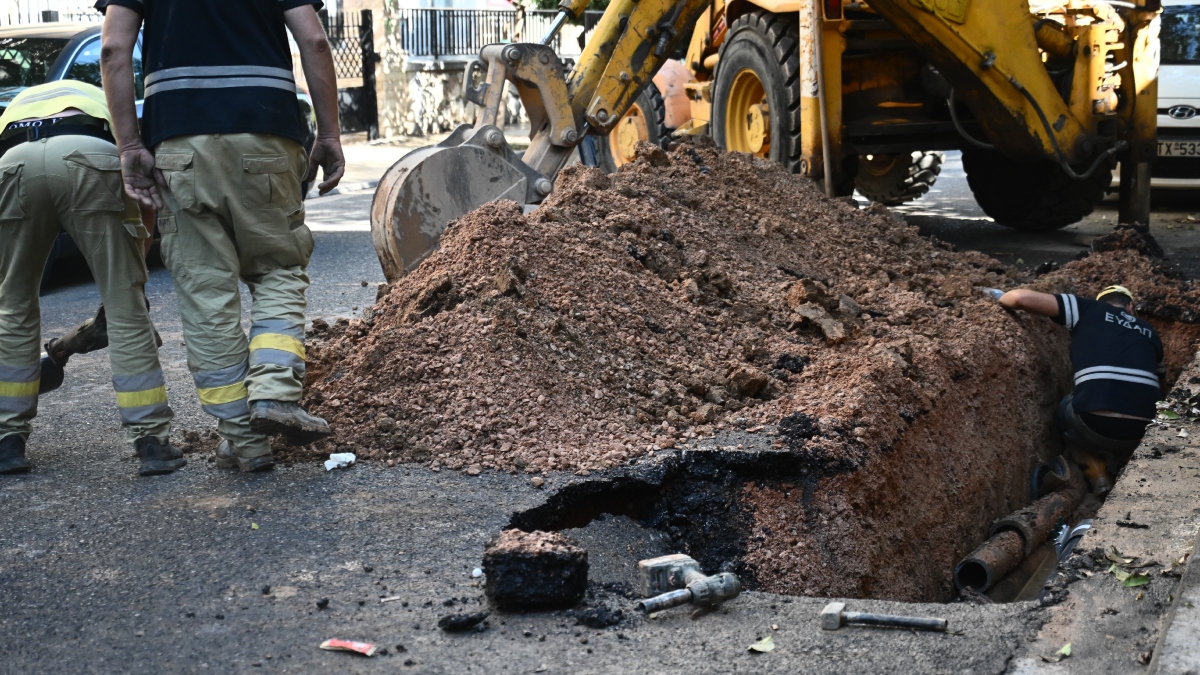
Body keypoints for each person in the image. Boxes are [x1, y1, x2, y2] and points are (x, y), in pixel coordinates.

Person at [96, 0, 345, 472]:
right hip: (266, 133)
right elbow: (313, 39)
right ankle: (273, 389)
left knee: (207, 295)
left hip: (179, 146)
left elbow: (113, 49)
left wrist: (130, 144)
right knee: (279, 267)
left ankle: (245, 443)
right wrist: (328, 134)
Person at [0, 80, 184, 476]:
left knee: (12, 306)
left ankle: (6, 441)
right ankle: (150, 441)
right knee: (124, 308)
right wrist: (133, 276)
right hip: (89, 155)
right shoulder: (102, 97)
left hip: (12, 162)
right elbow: (142, 191)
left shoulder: (16, 104)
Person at [990, 284, 1166, 494]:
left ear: (1101, 302)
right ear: (1130, 306)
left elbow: (1020, 298)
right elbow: (1162, 389)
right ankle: (1130, 460)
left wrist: (998, 298)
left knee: (1067, 405)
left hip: (1094, 425)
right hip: (1143, 432)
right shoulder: (1150, 332)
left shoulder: (1088, 309)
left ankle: (1098, 475)